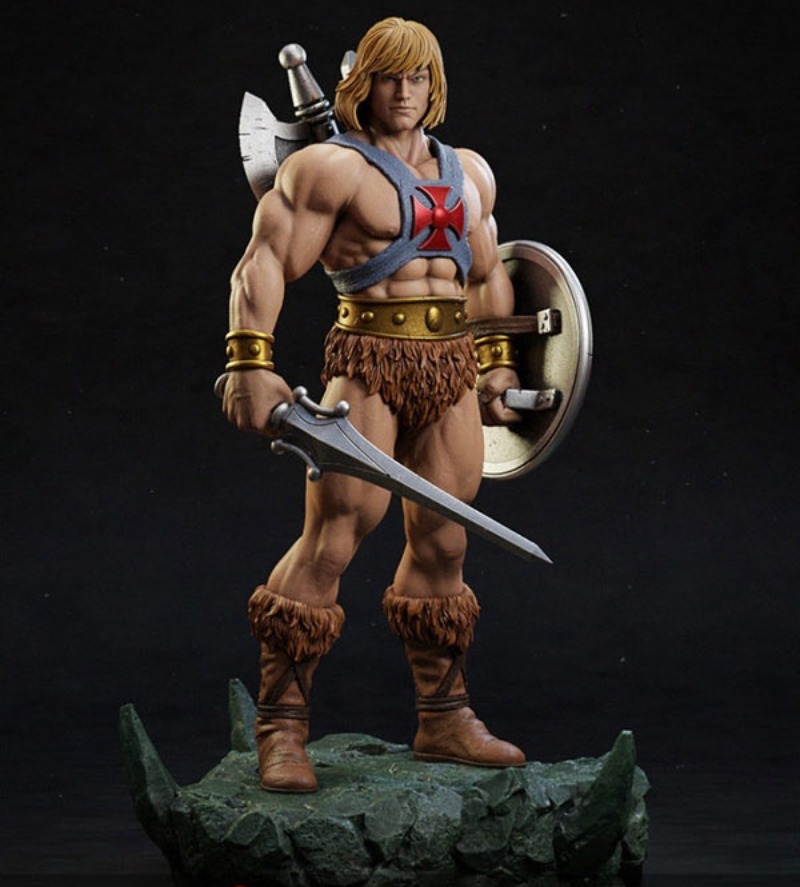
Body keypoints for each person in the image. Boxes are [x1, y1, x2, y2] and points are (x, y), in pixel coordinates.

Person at [221, 17, 527, 793]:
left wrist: (497, 367)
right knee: (333, 539)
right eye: (391, 77)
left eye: (419, 77)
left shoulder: (469, 173)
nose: (405, 92)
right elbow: (265, 258)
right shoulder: (332, 168)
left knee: (445, 544)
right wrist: (249, 360)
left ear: (435, 85)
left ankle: (444, 718)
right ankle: (282, 727)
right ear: (364, 85)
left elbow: (488, 275)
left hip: (450, 369)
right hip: (369, 366)